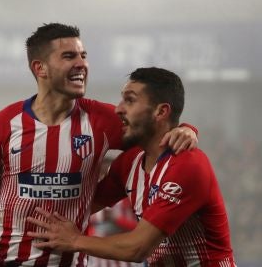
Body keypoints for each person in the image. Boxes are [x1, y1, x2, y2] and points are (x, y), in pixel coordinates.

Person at [0, 23, 198, 267]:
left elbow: (155, 128)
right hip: (7, 261)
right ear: (40, 68)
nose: (82, 64)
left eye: (83, 55)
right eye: (69, 56)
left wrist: (187, 130)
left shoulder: (101, 120)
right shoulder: (3, 125)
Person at [26, 67, 237, 266]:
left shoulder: (187, 165)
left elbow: (137, 248)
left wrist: (74, 240)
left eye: (130, 100)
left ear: (161, 111)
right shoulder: (131, 160)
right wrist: (16, 198)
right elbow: (79, 206)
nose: (118, 109)